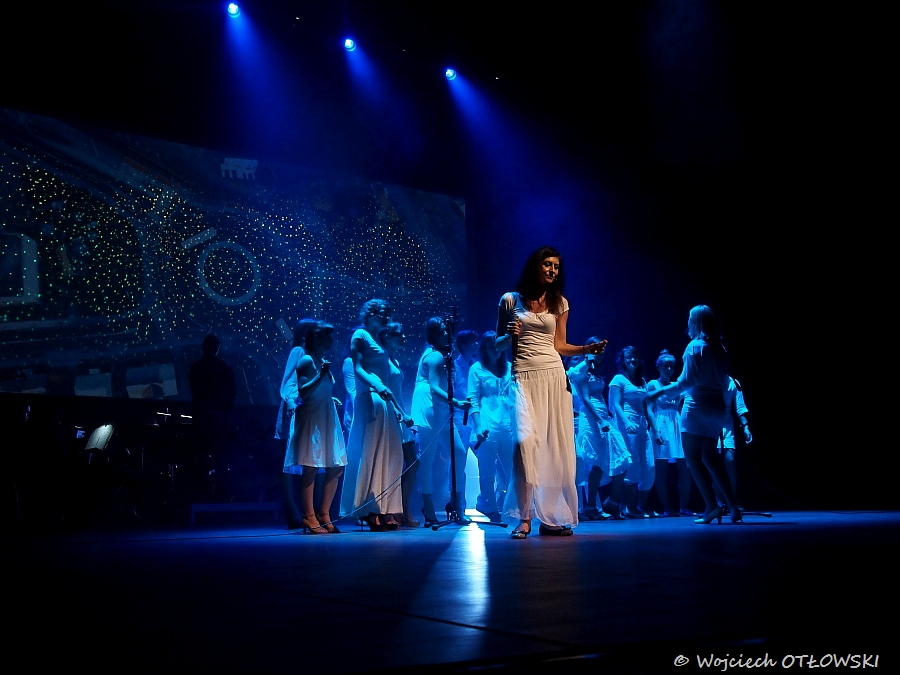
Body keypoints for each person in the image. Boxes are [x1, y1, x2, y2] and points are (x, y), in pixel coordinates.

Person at [497, 246, 607, 538]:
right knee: (524, 444)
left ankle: (551, 517)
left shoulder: (560, 303)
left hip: (554, 376)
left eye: (556, 267)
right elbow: (496, 345)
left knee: (553, 447)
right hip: (523, 377)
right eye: (547, 264)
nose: (552, 270)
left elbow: (559, 345)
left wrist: (586, 349)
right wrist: (507, 336)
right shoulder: (510, 300)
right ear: (536, 266)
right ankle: (524, 517)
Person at [645, 305, 741, 524]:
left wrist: (658, 392)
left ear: (695, 322)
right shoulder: (720, 348)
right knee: (711, 458)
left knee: (693, 459)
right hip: (717, 406)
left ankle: (712, 506)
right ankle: (733, 506)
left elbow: (686, 382)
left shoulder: (694, 347)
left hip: (697, 406)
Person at [282, 321, 347, 534]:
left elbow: (320, 389)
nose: (331, 341)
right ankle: (309, 516)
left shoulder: (320, 360)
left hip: (326, 415)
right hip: (312, 418)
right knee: (310, 466)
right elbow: (303, 392)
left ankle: (324, 513)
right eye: (327, 337)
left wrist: (330, 397)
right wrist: (320, 376)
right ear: (317, 338)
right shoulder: (306, 360)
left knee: (336, 466)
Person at [347, 299, 403, 531]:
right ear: (370, 314)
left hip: (384, 399)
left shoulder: (377, 339)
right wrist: (377, 386)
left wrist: (395, 406)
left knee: (391, 454)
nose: (386, 318)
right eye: (382, 314)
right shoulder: (360, 335)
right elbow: (358, 368)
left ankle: (386, 507)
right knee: (373, 452)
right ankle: (370, 508)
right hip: (371, 395)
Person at [410, 317, 472, 526]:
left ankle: (456, 504)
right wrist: (456, 402)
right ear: (435, 334)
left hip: (440, 409)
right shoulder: (435, 356)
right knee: (428, 458)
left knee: (458, 453)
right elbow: (435, 387)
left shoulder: (440, 355)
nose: (448, 334)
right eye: (444, 331)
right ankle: (429, 508)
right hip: (431, 408)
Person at [568, 342, 631, 520]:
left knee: (623, 456)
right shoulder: (582, 373)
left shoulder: (596, 372)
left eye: (602, 352)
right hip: (591, 418)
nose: (600, 355)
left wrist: (605, 417)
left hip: (604, 416)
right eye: (597, 351)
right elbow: (586, 399)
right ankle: (590, 506)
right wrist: (600, 420)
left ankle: (612, 501)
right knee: (597, 462)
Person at [467, 330, 514, 523]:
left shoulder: (509, 367)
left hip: (509, 424)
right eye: (491, 347)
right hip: (487, 423)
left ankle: (512, 506)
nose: (495, 350)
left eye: (498, 346)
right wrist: (478, 426)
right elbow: (473, 399)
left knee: (512, 470)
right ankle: (490, 507)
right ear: (484, 349)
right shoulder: (476, 369)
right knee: (487, 471)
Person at [275, 319, 316, 529]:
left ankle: (306, 511)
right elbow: (287, 382)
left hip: (306, 408)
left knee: (304, 460)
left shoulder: (312, 355)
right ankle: (292, 510)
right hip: (295, 408)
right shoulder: (298, 351)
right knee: (291, 460)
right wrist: (291, 400)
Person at [378, 321, 419, 527]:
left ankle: (402, 507)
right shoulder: (383, 359)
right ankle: (391, 510)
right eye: (398, 334)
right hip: (392, 415)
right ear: (387, 336)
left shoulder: (393, 359)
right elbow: (384, 390)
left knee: (412, 461)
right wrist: (399, 412)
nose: (403, 337)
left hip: (401, 416)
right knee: (395, 463)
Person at [646, 349, 694, 516]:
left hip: (677, 423)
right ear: (659, 367)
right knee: (662, 468)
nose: (669, 369)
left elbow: (682, 407)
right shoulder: (653, 384)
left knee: (684, 467)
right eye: (666, 366)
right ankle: (667, 508)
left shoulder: (677, 386)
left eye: (671, 366)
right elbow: (649, 409)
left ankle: (684, 506)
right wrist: (655, 430)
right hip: (661, 423)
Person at [609, 346, 655, 518]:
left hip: (642, 423)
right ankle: (629, 506)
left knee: (649, 465)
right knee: (632, 464)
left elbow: (647, 406)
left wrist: (652, 427)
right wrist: (627, 422)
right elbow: (615, 404)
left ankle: (639, 504)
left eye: (635, 357)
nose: (633, 360)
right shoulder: (619, 379)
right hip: (627, 422)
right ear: (623, 360)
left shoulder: (642, 381)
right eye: (629, 357)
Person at [714, 376, 752, 514]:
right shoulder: (708, 377)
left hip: (726, 424)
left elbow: (740, 407)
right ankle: (718, 502)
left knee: (729, 460)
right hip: (710, 422)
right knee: (714, 463)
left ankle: (731, 501)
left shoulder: (734, 382)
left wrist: (745, 427)